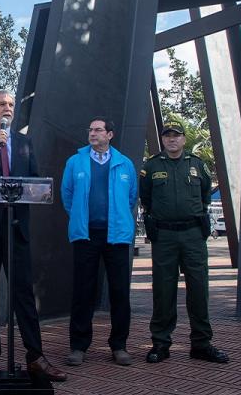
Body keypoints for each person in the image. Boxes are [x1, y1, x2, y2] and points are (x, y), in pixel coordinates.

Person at [0, 90, 67, 383]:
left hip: (15, 226)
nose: (7, 108)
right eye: (2, 104)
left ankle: (35, 356)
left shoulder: (25, 142)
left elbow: (34, 181)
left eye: (11, 105)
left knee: (23, 294)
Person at [140, 123, 229, 365]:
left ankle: (201, 343)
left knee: (199, 289)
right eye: (167, 136)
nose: (172, 140)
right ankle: (160, 343)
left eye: (176, 136)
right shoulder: (151, 166)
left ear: (183, 139)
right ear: (163, 140)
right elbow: (146, 197)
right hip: (165, 236)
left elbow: (204, 196)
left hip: (192, 235)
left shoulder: (198, 165)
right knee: (163, 290)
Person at [60, 117, 138, 366]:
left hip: (116, 236)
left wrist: (117, 219)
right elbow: (67, 195)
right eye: (90, 129)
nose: (93, 134)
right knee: (83, 291)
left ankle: (119, 346)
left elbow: (131, 198)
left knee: (119, 292)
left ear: (110, 135)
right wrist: (81, 217)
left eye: (98, 130)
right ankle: (78, 346)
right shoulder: (75, 162)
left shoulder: (125, 164)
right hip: (86, 235)